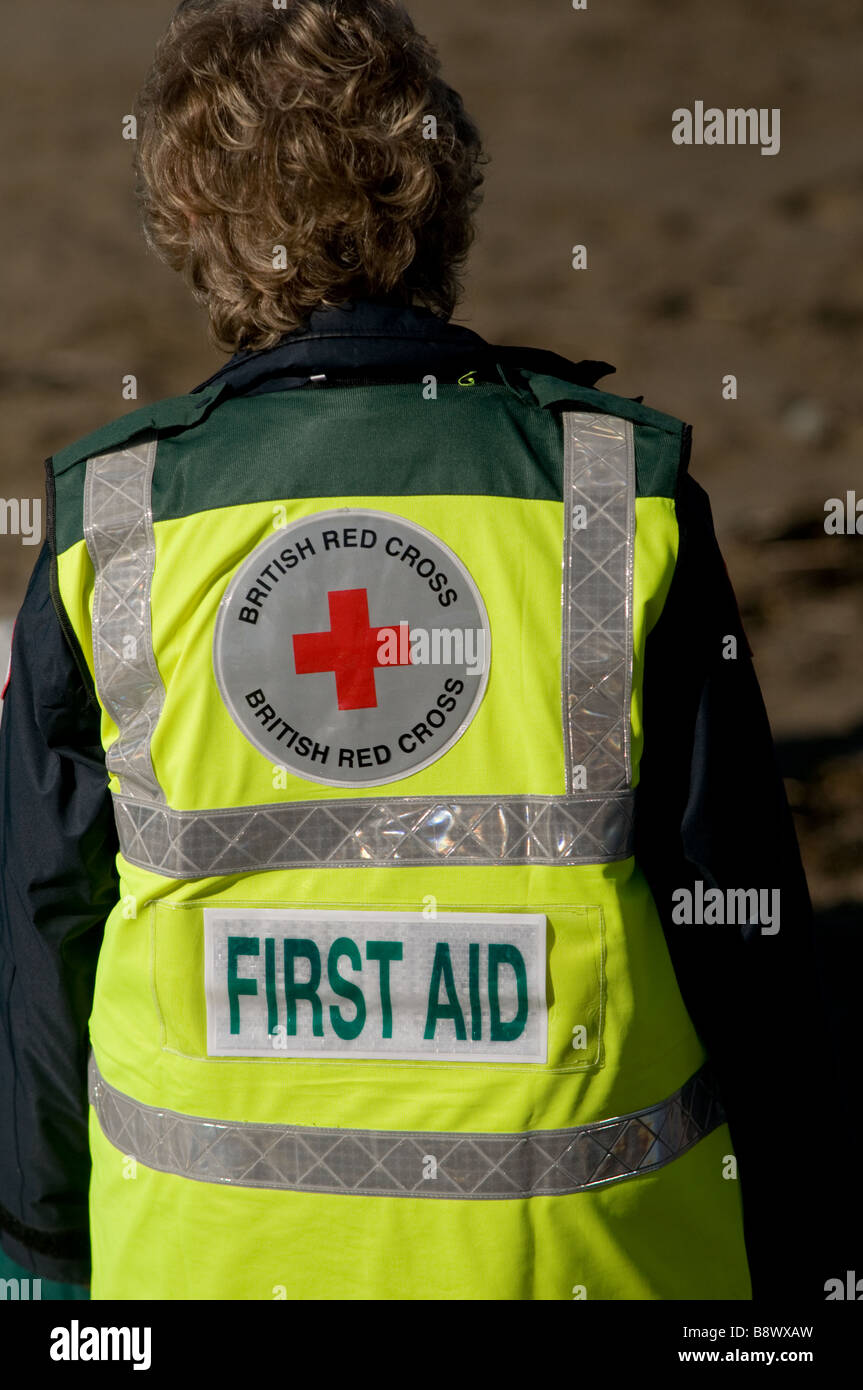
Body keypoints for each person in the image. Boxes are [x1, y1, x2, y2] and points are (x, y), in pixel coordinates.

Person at [0, 0, 837, 1300]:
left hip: (203, 1265)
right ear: (439, 195)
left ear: (191, 227)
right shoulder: (612, 496)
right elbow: (744, 931)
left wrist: (42, 1264)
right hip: (586, 1264)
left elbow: (41, 941)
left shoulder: (111, 523)